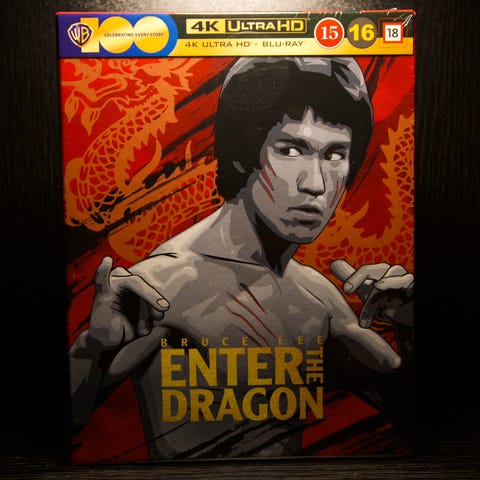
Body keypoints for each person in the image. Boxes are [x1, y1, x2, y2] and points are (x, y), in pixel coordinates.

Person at [69, 56, 414, 460]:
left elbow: (413, 412)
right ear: (244, 152)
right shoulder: (163, 284)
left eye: (335, 155)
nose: (316, 184)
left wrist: (410, 328)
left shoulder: (316, 294)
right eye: (291, 150)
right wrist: (92, 349)